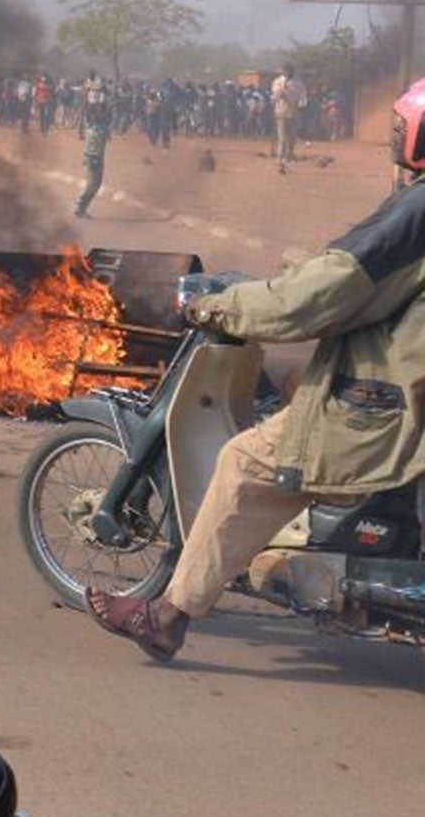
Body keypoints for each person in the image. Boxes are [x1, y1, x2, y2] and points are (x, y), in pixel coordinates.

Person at [90, 79, 425, 661]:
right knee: (297, 390)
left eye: (400, 123)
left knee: (248, 461)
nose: (392, 134)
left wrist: (226, 305)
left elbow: (321, 295)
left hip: (391, 395)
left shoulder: (417, 210)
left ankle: (168, 615)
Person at [74, 93, 111, 218]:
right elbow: (103, 118)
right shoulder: (98, 130)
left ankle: (81, 208)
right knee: (92, 185)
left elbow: (94, 114)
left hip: (94, 157)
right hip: (93, 159)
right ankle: (79, 207)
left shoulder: (91, 128)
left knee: (96, 185)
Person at [272, 64, 307, 171]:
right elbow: (275, 96)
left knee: (291, 140)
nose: (287, 73)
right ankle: (280, 160)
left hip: (294, 113)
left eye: (289, 71)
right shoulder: (278, 82)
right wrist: (281, 92)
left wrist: (302, 105)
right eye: (285, 71)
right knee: (282, 139)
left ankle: (288, 157)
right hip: (281, 112)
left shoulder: (298, 83)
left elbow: (303, 98)